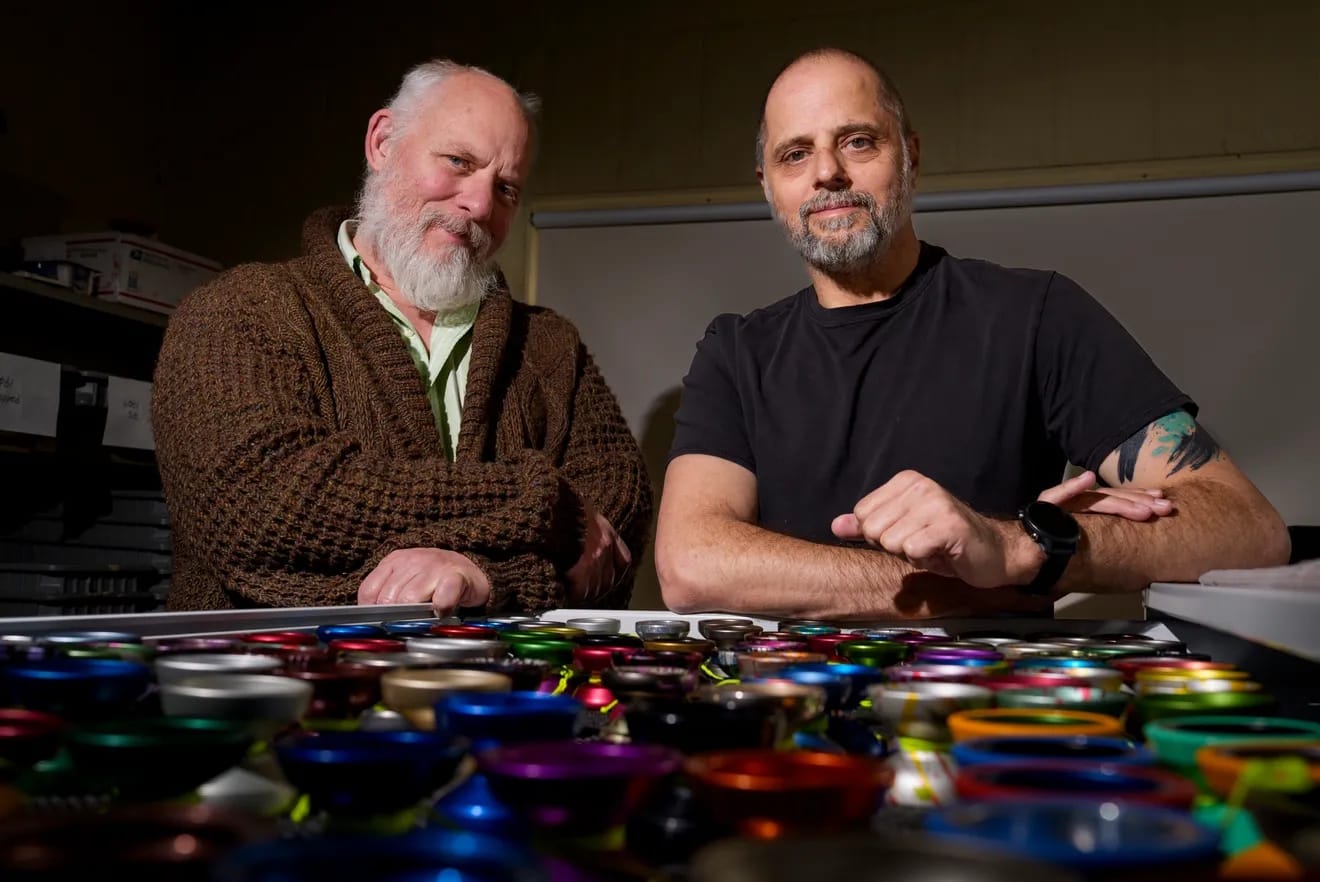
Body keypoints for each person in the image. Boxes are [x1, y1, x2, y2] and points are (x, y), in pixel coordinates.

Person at [655, 48, 1289, 620]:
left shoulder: (1035, 314)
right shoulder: (736, 352)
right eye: (795, 154)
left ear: (911, 157)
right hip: (785, 702)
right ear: (768, 186)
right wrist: (991, 583)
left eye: (858, 141)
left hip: (991, 702)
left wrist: (1016, 547)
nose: (828, 172)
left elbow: (1250, 531)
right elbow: (691, 565)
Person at [153, 60, 650, 615]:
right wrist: (544, 505)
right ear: (383, 142)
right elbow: (262, 511)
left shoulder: (551, 346)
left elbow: (616, 534)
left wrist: (487, 580)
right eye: (458, 162)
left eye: (506, 188)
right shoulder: (237, 311)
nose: (480, 205)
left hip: (503, 675)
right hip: (265, 668)